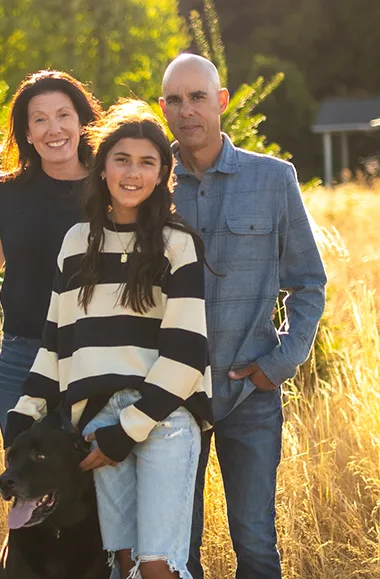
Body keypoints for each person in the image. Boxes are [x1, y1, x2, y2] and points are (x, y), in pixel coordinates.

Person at [4, 100, 214, 579]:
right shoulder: (78, 242)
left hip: (162, 418)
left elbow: (186, 355)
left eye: (147, 163)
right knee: (121, 560)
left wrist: (130, 429)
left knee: (157, 563)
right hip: (95, 426)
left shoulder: (177, 244)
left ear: (163, 174)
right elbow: (57, 343)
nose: (133, 173)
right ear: (102, 169)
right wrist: (25, 410)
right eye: (122, 160)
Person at [159, 53, 327, 578]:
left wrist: (275, 364)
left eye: (198, 97)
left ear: (222, 101)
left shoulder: (274, 179)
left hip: (249, 395)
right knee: (174, 549)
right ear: (162, 108)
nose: (187, 110)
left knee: (255, 545)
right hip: (169, 397)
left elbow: (309, 283)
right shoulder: (146, 179)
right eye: (175, 100)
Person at [0, 70, 102, 433]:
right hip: (22, 358)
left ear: (82, 123)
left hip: (95, 353)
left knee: (93, 481)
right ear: (27, 134)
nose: (54, 129)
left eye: (64, 115)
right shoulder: (2, 193)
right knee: (28, 481)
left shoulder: (111, 189)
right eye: (40, 120)